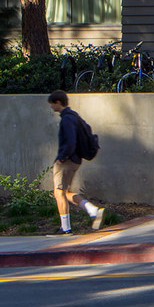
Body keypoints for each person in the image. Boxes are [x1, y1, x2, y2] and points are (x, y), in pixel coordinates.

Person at [47, 91, 107, 233]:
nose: (51, 107)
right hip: (76, 159)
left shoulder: (67, 119)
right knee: (65, 192)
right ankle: (92, 210)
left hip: (67, 160)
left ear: (58, 102)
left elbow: (70, 141)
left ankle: (65, 228)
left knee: (59, 193)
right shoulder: (74, 116)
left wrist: (62, 157)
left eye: (52, 104)